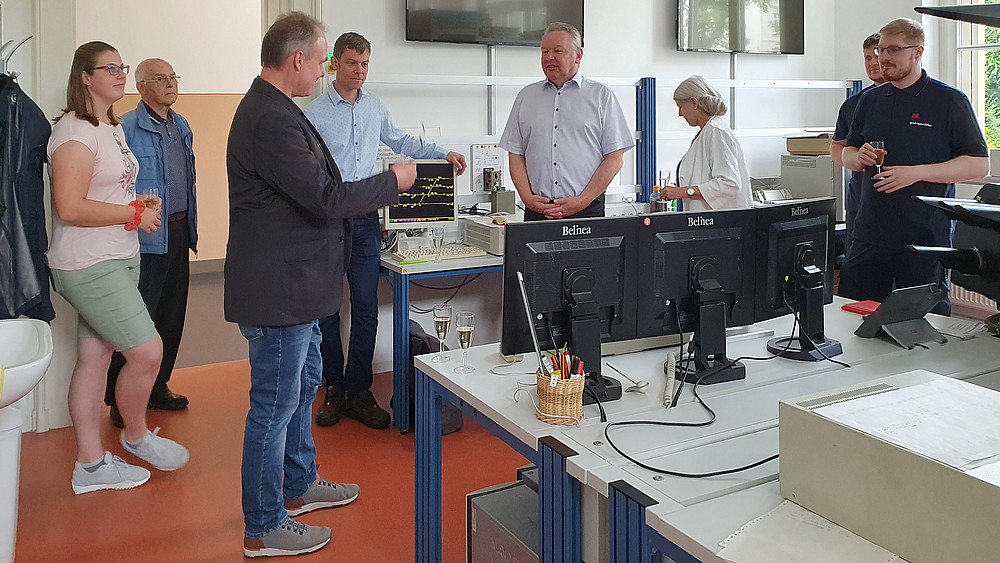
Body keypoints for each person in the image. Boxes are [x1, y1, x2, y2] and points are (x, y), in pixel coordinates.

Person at [225, 13, 416, 557]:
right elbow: (327, 198)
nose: (332, 67)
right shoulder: (270, 118)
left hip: (299, 284)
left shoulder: (279, 109)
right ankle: (263, 526)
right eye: (327, 56)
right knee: (274, 405)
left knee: (304, 384)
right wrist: (394, 181)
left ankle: (299, 483)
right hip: (279, 289)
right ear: (298, 60)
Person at [304, 32, 467, 429]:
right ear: (334, 64)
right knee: (326, 310)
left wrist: (441, 153)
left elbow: (402, 140)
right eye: (351, 64)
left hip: (365, 221)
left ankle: (359, 391)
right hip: (327, 220)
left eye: (364, 65)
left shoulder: (375, 107)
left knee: (365, 309)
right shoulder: (313, 113)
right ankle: (335, 389)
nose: (358, 72)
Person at [47, 41, 189, 495]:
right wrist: (132, 215)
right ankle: (135, 435)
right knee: (148, 353)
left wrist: (134, 203)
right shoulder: (75, 133)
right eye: (109, 68)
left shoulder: (108, 126)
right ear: (84, 77)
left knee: (94, 359)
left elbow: (104, 192)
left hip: (115, 254)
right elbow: (68, 206)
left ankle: (89, 466)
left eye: (121, 66)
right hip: (90, 264)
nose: (119, 73)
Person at [841, 18, 989, 316]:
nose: (883, 58)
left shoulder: (950, 100)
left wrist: (915, 173)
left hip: (923, 237)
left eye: (894, 50)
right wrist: (858, 157)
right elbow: (847, 151)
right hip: (868, 235)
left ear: (917, 51)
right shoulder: (868, 101)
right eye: (881, 50)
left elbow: (979, 165)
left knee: (924, 329)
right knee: (853, 322)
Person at [105, 58, 198, 428]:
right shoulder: (126, 127)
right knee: (138, 320)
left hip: (178, 230)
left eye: (173, 77)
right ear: (141, 87)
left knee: (172, 313)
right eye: (160, 79)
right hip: (145, 237)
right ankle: (119, 399)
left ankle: (158, 386)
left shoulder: (182, 125)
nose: (170, 84)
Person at [500, 22, 634, 221]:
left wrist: (583, 200)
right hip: (538, 211)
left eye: (557, 51)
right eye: (544, 51)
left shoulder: (602, 96)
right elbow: (516, 154)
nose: (549, 57)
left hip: (586, 211)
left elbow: (615, 158)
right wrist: (527, 198)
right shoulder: (526, 97)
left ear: (578, 55)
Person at [660, 75, 752, 210]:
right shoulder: (707, 132)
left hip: (720, 224)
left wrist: (684, 191)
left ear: (694, 103)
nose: (680, 113)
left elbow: (729, 183)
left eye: (680, 107)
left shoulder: (716, 131)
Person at [831, 33, 886, 247]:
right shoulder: (853, 104)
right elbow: (837, 147)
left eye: (876, 56)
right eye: (867, 58)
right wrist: (854, 159)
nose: (872, 63)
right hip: (860, 199)